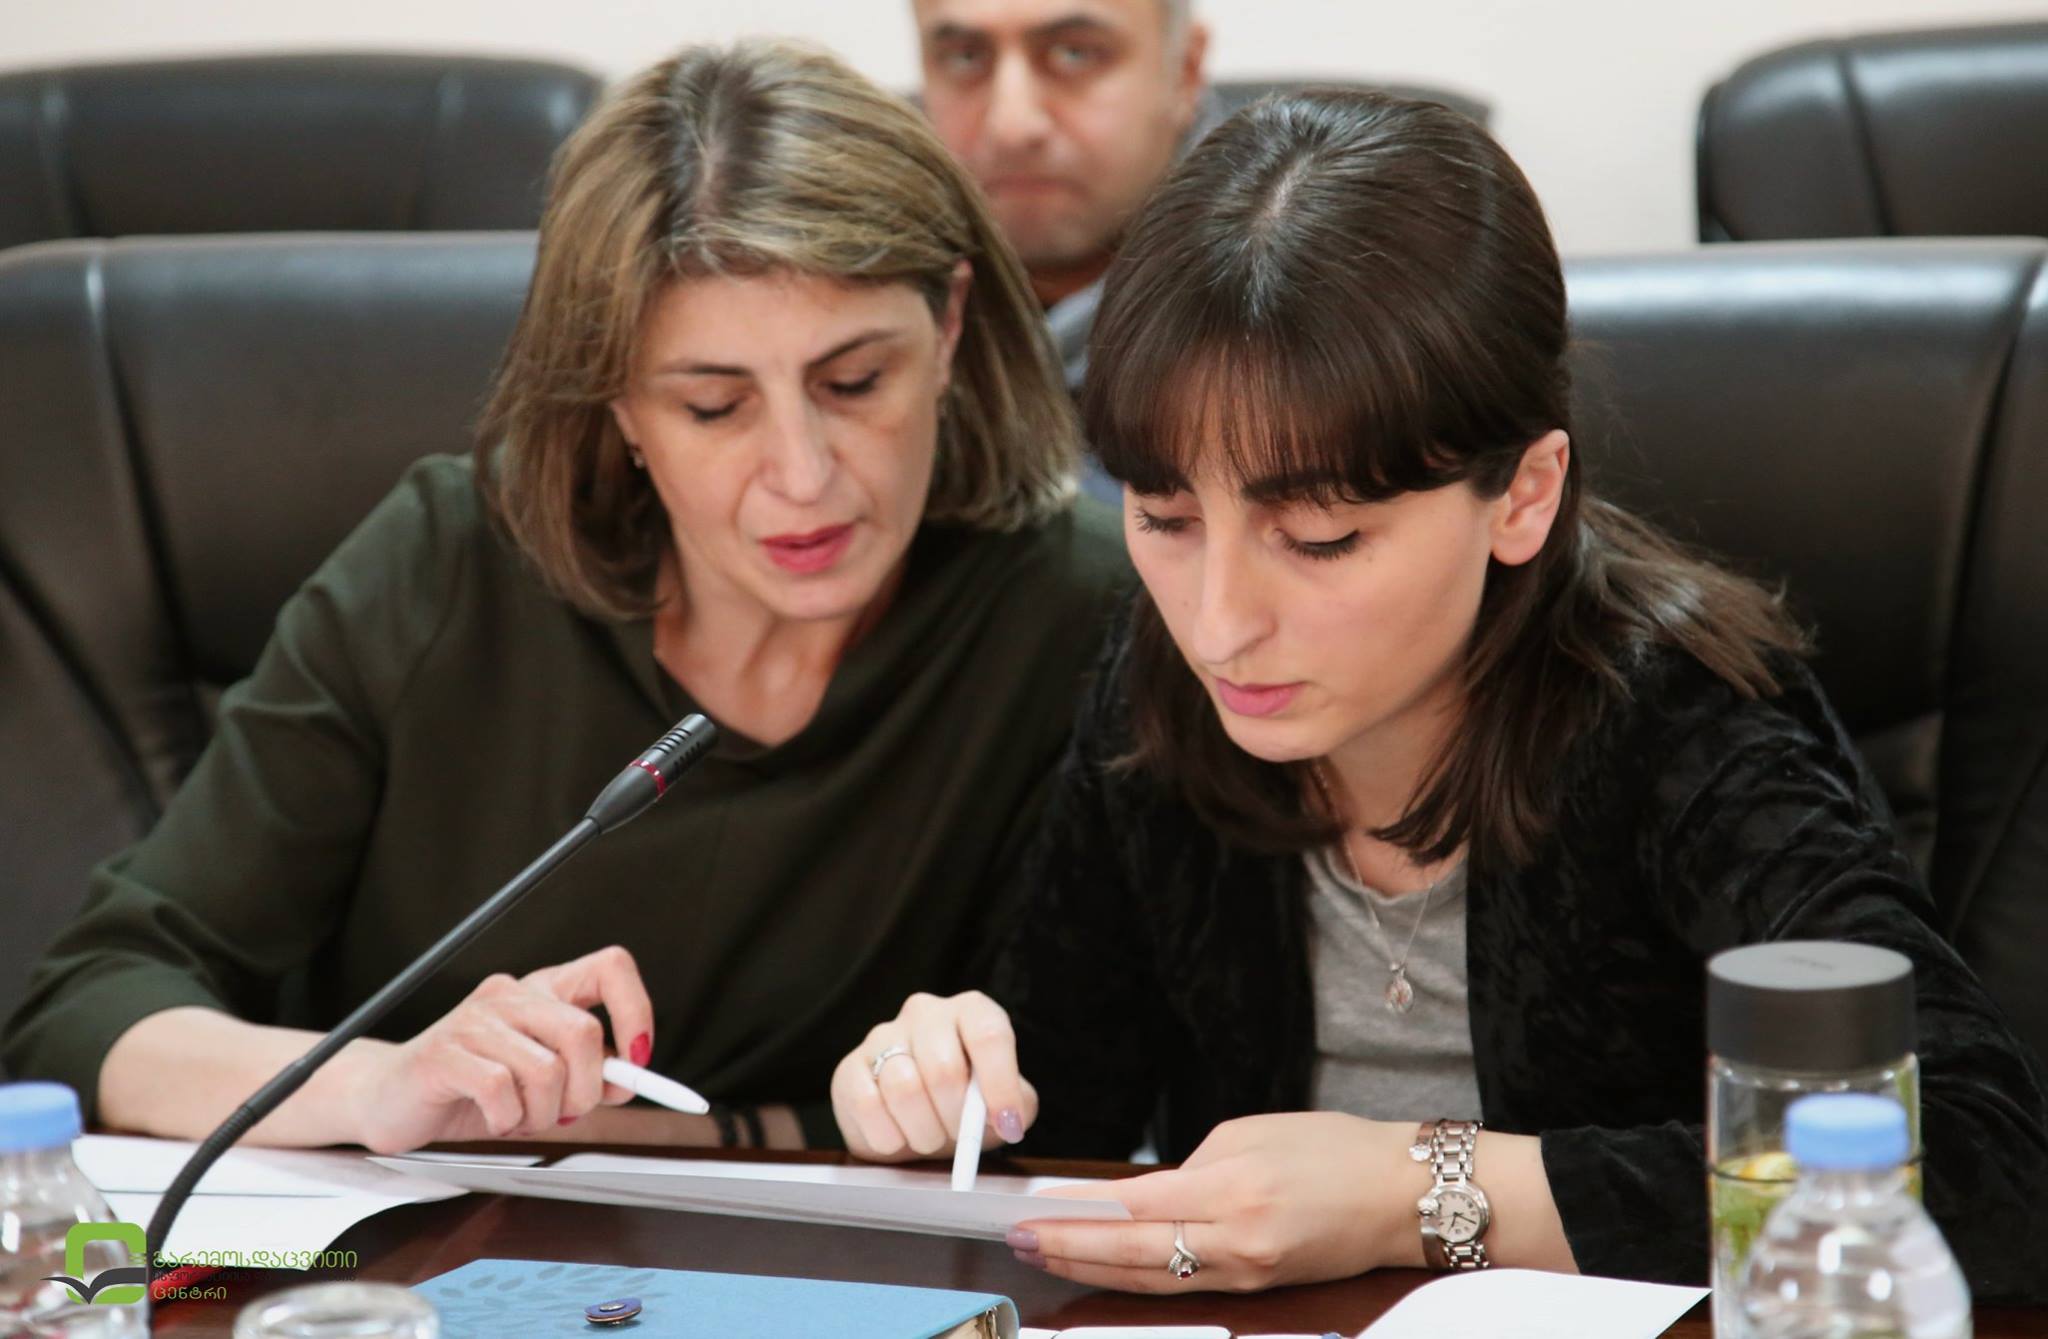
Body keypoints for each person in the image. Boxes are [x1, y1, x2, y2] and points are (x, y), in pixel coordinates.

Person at [828, 90, 2048, 1296]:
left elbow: (1985, 1172)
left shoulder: (1683, 718)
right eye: (1163, 516)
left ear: (1521, 495)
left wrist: (1416, 1190)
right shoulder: (1157, 684)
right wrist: (935, 1093)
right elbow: (1057, 1134)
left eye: (1318, 538)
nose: (1217, 623)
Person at [0, 41, 1128, 1156]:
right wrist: (383, 1087)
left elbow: (1078, 1106)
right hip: (400, 1247)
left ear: (948, 326)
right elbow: (90, 1005)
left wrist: (763, 1128)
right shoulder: (452, 562)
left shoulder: (1075, 615)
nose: (802, 472)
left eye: (853, 382)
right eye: (713, 406)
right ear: (618, 399)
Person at [912, 0, 1213, 398]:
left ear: (1185, 71)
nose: (1012, 127)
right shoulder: (863, 300)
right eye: (965, 57)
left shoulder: (1285, 313)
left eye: (1075, 54)